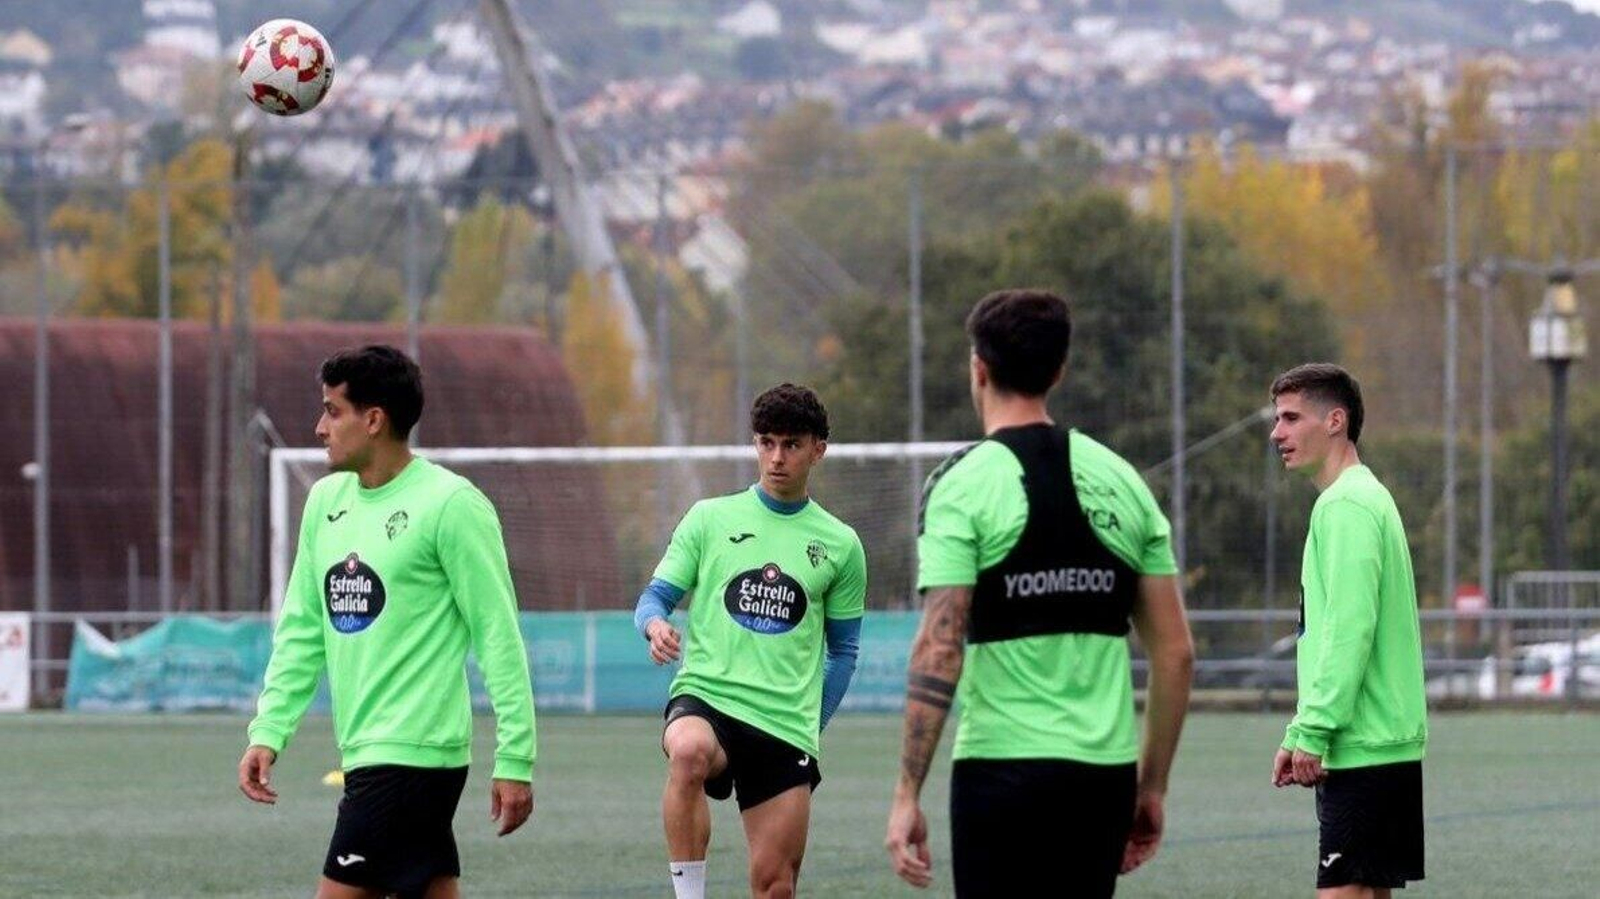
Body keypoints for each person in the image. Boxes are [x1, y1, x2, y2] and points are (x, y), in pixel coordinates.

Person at [886, 288, 1195, 897]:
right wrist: (1150, 787)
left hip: (1001, 775)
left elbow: (939, 648)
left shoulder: (961, 486)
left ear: (979, 368)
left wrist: (906, 794)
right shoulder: (1123, 480)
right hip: (1101, 780)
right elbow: (1176, 654)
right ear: (1060, 369)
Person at [238, 345, 537, 899]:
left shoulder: (451, 505)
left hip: (412, 754)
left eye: (333, 410)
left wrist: (515, 755)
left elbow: (497, 636)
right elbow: (304, 629)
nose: (319, 426)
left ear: (373, 420)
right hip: (368, 753)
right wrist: (269, 729)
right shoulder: (325, 501)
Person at [635, 383, 867, 899]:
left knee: (775, 887)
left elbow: (845, 653)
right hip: (708, 698)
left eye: (791, 444)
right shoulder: (709, 518)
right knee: (688, 751)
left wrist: (812, 723)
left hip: (783, 725)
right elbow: (652, 600)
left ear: (817, 450)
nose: (776, 457)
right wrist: (655, 626)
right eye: (766, 442)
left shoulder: (841, 545)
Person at [1268, 363, 1427, 897]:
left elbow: (1349, 631)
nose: (1277, 432)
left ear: (1335, 421)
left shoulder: (1347, 506)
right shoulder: (1358, 498)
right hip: (1374, 744)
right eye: (1277, 419)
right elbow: (1332, 631)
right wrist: (1300, 731)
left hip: (1363, 746)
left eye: (1291, 417)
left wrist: (1314, 730)